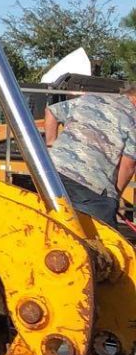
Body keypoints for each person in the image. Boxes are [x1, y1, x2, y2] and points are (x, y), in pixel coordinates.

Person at [43, 84, 136, 241]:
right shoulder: (133, 119)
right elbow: (128, 165)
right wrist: (114, 196)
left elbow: (51, 111)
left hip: (51, 174)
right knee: (108, 244)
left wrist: (51, 144)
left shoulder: (91, 98)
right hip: (90, 185)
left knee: (53, 229)